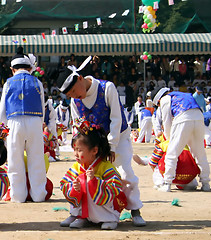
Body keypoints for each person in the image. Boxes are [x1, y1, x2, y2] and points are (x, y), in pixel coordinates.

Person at [55, 56, 146, 226]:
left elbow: (116, 119)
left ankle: (135, 210)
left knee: (124, 173)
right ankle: (80, 213)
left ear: (80, 79)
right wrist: (78, 147)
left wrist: (111, 146)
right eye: (70, 95)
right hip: (93, 144)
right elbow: (77, 125)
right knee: (83, 175)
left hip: (118, 137)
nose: (75, 97)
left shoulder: (107, 88)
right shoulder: (76, 101)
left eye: (74, 91)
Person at [0, 47, 47, 203]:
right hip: (34, 121)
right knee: (36, 159)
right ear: (30, 68)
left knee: (14, 160)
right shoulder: (37, 82)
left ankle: (18, 196)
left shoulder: (8, 83)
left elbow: (3, 110)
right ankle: (39, 195)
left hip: (14, 122)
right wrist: (39, 125)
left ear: (12, 69)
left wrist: (1, 130)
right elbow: (42, 106)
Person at [60, 122, 127, 230]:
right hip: (87, 206)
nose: (76, 154)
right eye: (74, 150)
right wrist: (74, 187)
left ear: (94, 150)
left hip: (106, 208)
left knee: (87, 181)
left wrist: (95, 181)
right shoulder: (77, 166)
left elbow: (115, 186)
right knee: (81, 181)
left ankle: (109, 218)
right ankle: (82, 216)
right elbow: (65, 183)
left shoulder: (105, 167)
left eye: (80, 150)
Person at [151, 88, 210, 191]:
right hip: (199, 117)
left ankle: (167, 183)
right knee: (200, 153)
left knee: (171, 153)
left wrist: (168, 140)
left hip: (183, 119)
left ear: (159, 100)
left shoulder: (165, 99)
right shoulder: (185, 94)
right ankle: (205, 184)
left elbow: (167, 121)